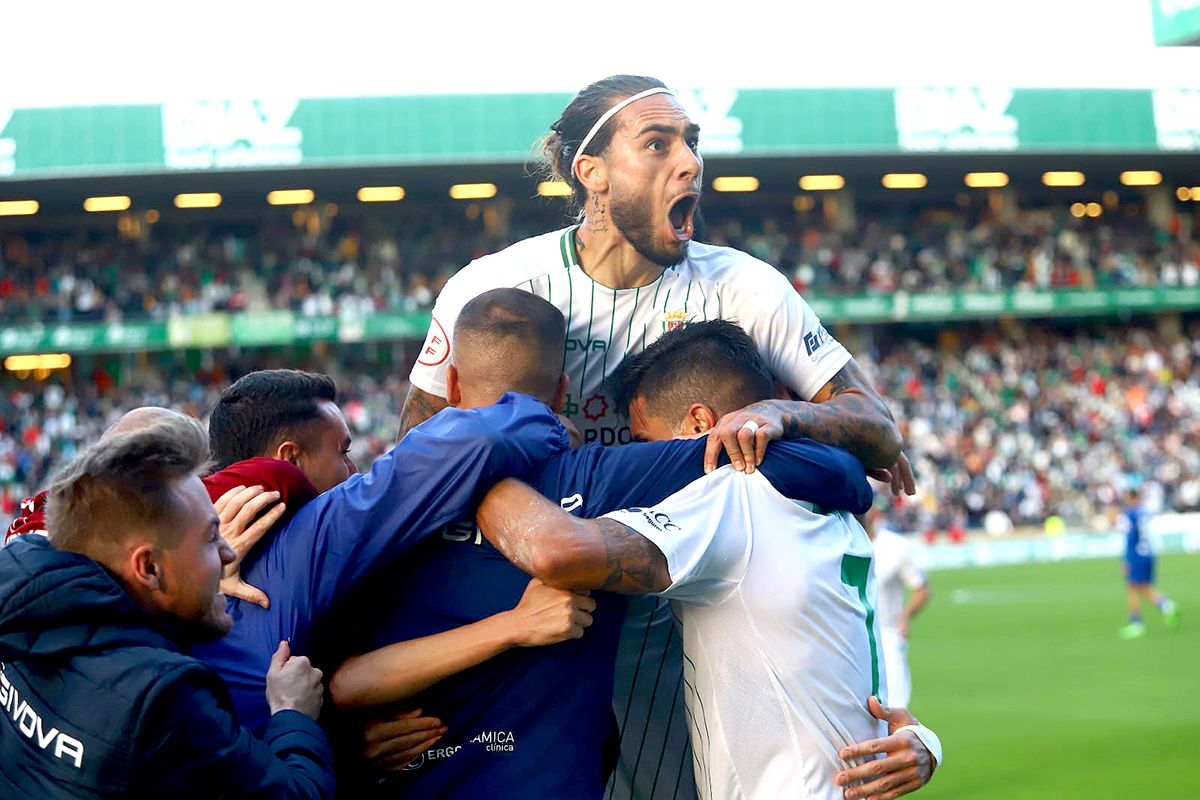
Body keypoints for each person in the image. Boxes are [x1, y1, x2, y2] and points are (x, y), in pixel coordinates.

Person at [399, 73, 915, 800]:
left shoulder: (743, 287)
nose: (690, 162)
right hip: (526, 608)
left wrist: (782, 413)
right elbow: (419, 441)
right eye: (658, 142)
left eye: (692, 143)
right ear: (592, 173)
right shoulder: (497, 287)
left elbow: (877, 427)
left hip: (677, 604)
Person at [329, 291, 889, 799]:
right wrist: (816, 430)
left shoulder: (378, 505)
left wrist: (448, 458)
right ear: (561, 394)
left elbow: (331, 674)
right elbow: (829, 469)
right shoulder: (608, 480)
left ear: (451, 386)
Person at [476, 321, 942, 800]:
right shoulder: (835, 500)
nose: (642, 459)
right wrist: (925, 746)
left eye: (643, 441)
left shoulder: (733, 497)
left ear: (700, 425)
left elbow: (557, 551)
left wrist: (468, 465)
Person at [190, 382, 570, 737]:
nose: (355, 470)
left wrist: (343, 742)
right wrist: (553, 423)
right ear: (290, 459)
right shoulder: (308, 541)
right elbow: (476, 441)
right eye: (343, 451)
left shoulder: (177, 587)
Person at [0, 412, 333, 799]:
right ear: (148, 567)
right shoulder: (163, 697)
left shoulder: (23, 600)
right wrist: (293, 715)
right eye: (211, 538)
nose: (229, 552)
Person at [863, 505, 931, 708]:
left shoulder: (896, 547)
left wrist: (905, 615)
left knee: (894, 708)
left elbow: (922, 588)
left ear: (874, 513)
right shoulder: (839, 543)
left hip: (887, 634)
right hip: (852, 636)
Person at [1117, 487, 1180, 639]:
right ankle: (1167, 606)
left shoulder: (1131, 515)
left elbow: (1131, 539)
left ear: (1132, 498)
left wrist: (1125, 560)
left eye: (1127, 497)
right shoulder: (1145, 512)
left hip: (1137, 555)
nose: (1125, 501)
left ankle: (1136, 624)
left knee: (1132, 588)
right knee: (1144, 587)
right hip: (1149, 554)